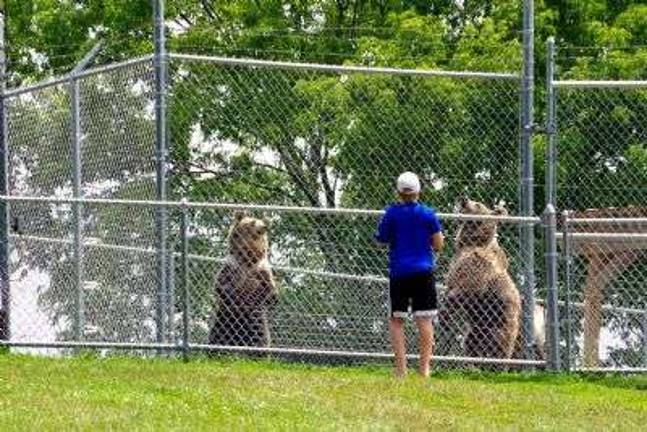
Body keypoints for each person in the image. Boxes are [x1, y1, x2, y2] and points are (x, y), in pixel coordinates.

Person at [375, 171, 444, 378]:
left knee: (397, 320)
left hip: (399, 272)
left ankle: (401, 370)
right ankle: (424, 369)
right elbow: (439, 244)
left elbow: (380, 239)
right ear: (418, 191)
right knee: (424, 320)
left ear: (398, 192)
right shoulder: (428, 214)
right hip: (423, 272)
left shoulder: (391, 213)